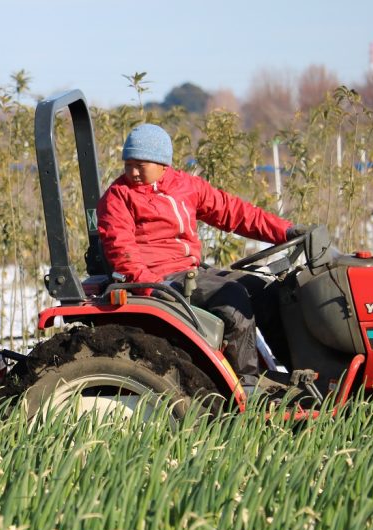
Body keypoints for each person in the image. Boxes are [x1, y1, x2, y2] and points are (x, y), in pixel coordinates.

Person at [96, 123, 301, 393]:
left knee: (267, 290)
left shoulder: (185, 186)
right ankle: (249, 388)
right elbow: (121, 249)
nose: (132, 172)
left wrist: (284, 231)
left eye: (140, 165)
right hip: (161, 278)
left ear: (162, 164)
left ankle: (296, 373)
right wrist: (152, 286)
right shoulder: (118, 197)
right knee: (233, 299)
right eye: (128, 164)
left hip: (190, 270)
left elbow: (234, 212)